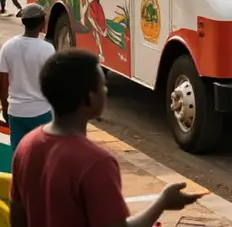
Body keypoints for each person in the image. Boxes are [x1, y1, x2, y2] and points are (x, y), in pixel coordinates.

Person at [10, 48, 203, 226]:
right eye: (102, 86)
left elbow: (17, 217)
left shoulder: (27, 146)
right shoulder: (96, 162)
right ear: (88, 97)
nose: (106, 91)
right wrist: (162, 202)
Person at [0, 4, 54, 152]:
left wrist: (5, 108)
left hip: (16, 112)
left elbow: (3, 84)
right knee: (43, 155)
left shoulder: (8, 47)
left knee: (19, 156)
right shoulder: (47, 49)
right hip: (42, 112)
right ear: (42, 23)